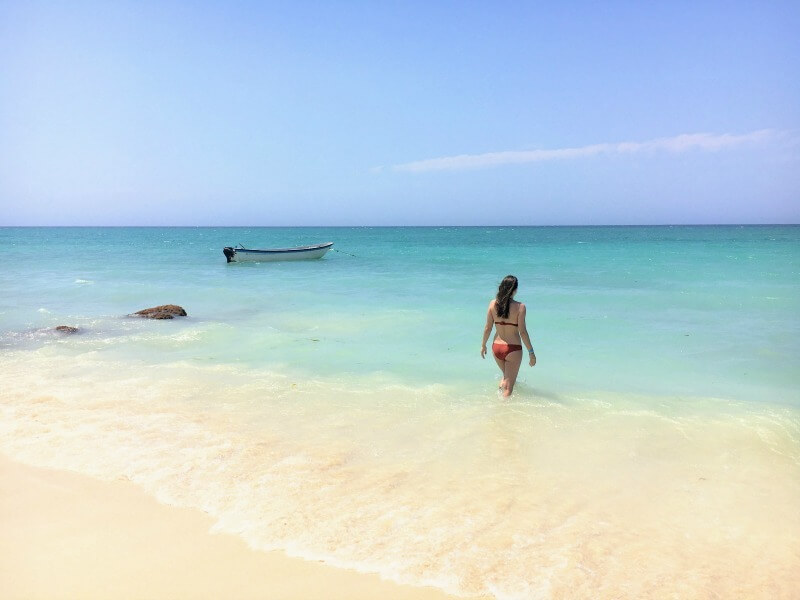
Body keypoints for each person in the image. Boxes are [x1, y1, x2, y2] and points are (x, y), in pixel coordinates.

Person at [480, 275, 536, 397]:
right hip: (513, 349)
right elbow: (523, 332)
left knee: (506, 378)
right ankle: (503, 411)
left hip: (496, 348)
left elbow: (488, 328)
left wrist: (483, 345)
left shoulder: (492, 304)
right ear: (514, 290)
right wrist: (531, 352)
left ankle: (498, 400)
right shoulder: (520, 307)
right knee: (509, 388)